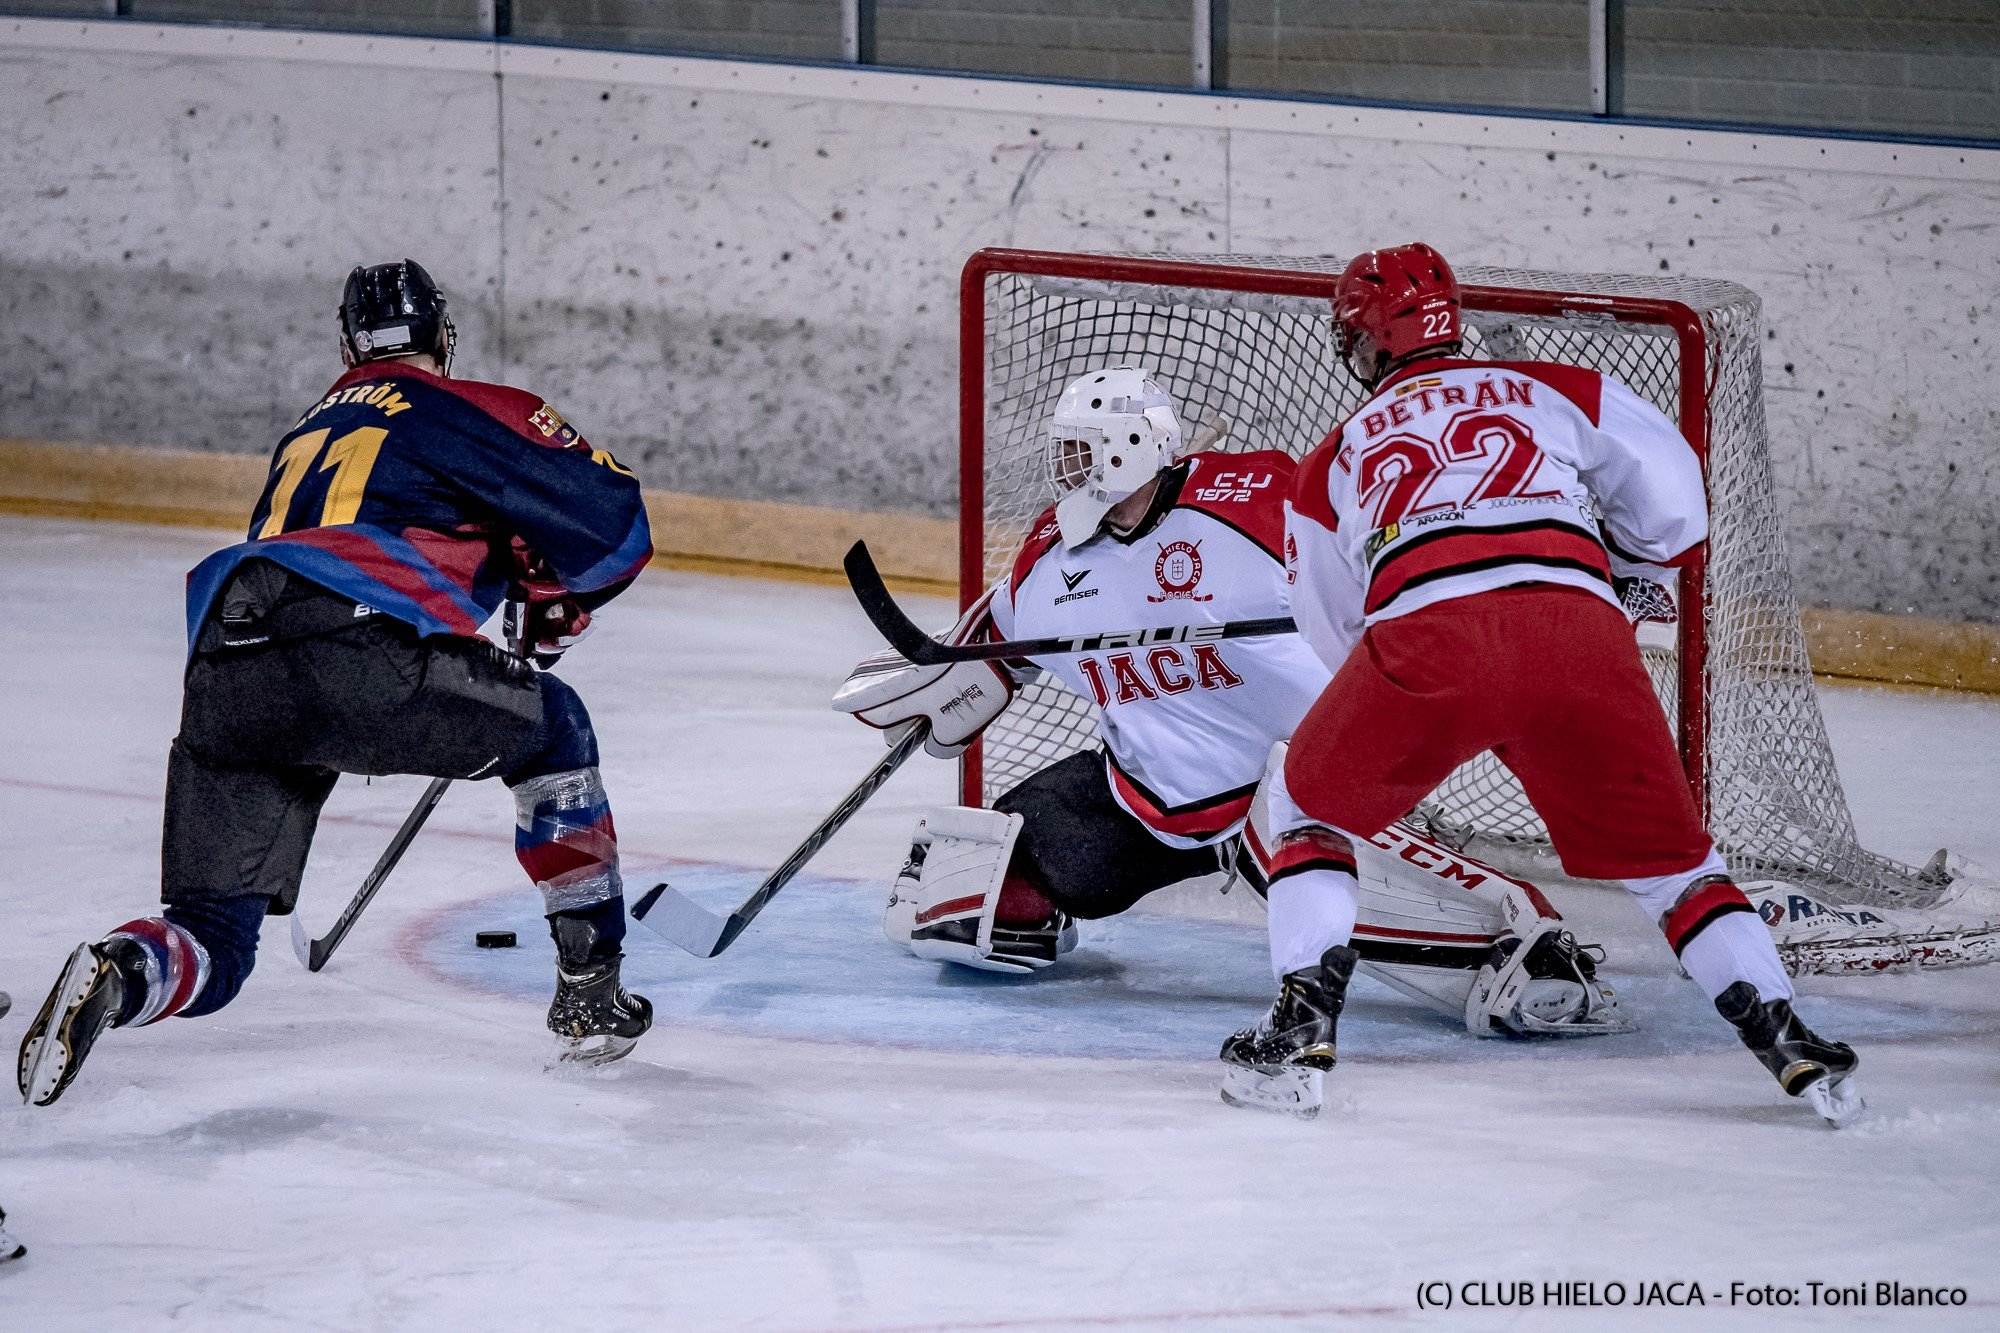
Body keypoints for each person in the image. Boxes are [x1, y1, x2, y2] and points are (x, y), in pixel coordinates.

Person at [1225, 241, 1861, 1122]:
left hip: (1429, 644)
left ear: (1366, 345)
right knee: (1678, 869)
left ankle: (1297, 1034)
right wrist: (1628, 569)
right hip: (1581, 637)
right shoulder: (1550, 387)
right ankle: (1792, 1041)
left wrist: (1407, 686)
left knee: (1308, 803)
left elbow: (1334, 629)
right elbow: (1677, 499)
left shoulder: (1334, 455)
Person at [835, 365, 1623, 1060]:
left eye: (1084, 447)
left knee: (1288, 811)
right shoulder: (1057, 554)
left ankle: (1523, 939)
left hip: (1305, 779)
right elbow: (991, 649)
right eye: (1065, 448)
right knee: (963, 894)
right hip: (1146, 801)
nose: (1067, 466)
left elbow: (1382, 544)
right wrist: (935, 686)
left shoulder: (1255, 501)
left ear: (1130, 447)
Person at [18, 260, 656, 1107]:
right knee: (557, 729)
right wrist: (555, 597)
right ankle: (591, 992)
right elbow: (612, 523)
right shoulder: (461, 406)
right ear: (442, 338)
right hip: (355, 652)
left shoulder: (307, 427)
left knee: (215, 938)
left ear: (350, 344)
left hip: (225, 664)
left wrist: (524, 577)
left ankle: (124, 969)